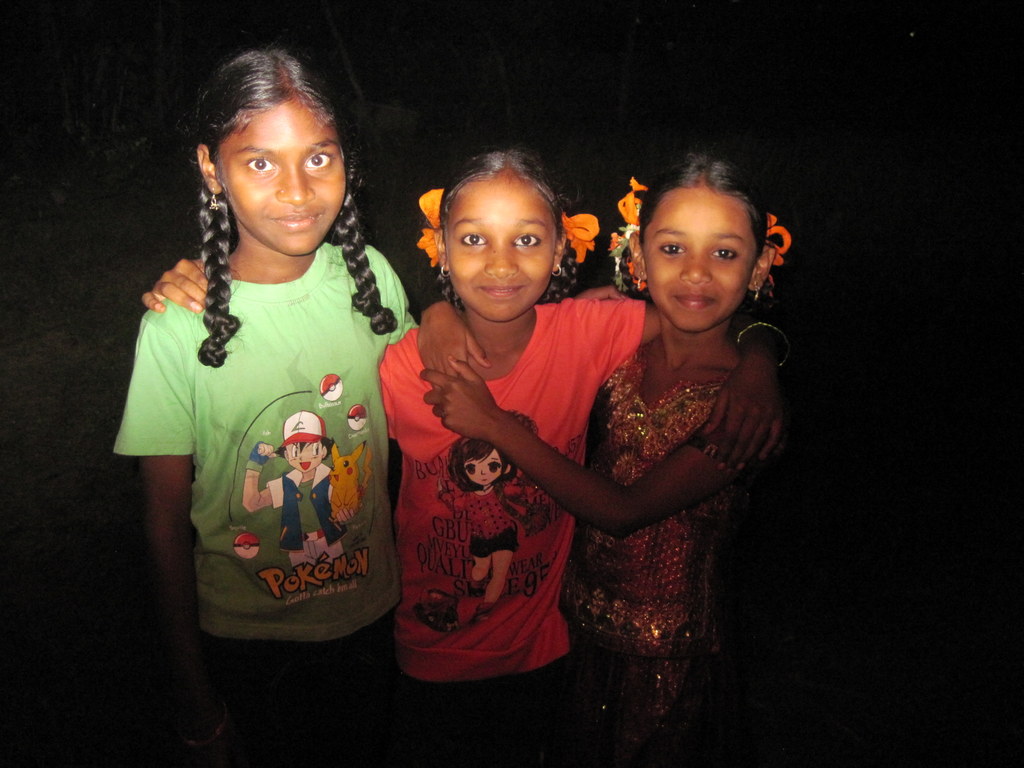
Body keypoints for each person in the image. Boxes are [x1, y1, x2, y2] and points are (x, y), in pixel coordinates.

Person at [142, 148, 785, 766]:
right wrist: (434, 314)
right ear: (440, 250)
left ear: (563, 249)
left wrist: (762, 355)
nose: (501, 264)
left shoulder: (590, 332)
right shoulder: (400, 366)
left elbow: (701, 319)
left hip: (549, 646)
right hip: (424, 648)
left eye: (527, 239)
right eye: (474, 239)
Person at [422, 153, 792, 767]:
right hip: (572, 629)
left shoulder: (740, 407)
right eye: (672, 249)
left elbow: (623, 512)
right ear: (637, 257)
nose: (695, 273)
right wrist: (435, 311)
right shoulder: (621, 344)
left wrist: (492, 424)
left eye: (724, 253)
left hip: (672, 656)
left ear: (759, 267)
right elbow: (514, 317)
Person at [114, 48, 414, 766]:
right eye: (259, 162)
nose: (298, 190)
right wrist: (194, 698)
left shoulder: (372, 279)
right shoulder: (177, 328)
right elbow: (162, 524)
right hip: (245, 639)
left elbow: (429, 404)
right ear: (210, 169)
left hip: (372, 616)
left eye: (319, 158)